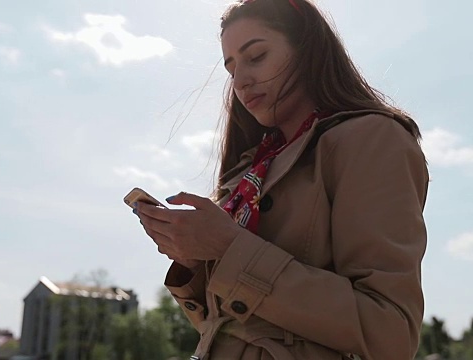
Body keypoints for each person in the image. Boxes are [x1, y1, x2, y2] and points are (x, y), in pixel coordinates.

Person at [134, 0, 429, 359]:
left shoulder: (370, 140)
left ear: (307, 50)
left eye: (256, 56)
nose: (241, 81)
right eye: (231, 69)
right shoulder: (249, 172)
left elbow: (390, 332)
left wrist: (228, 248)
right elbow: (235, 329)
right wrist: (195, 263)